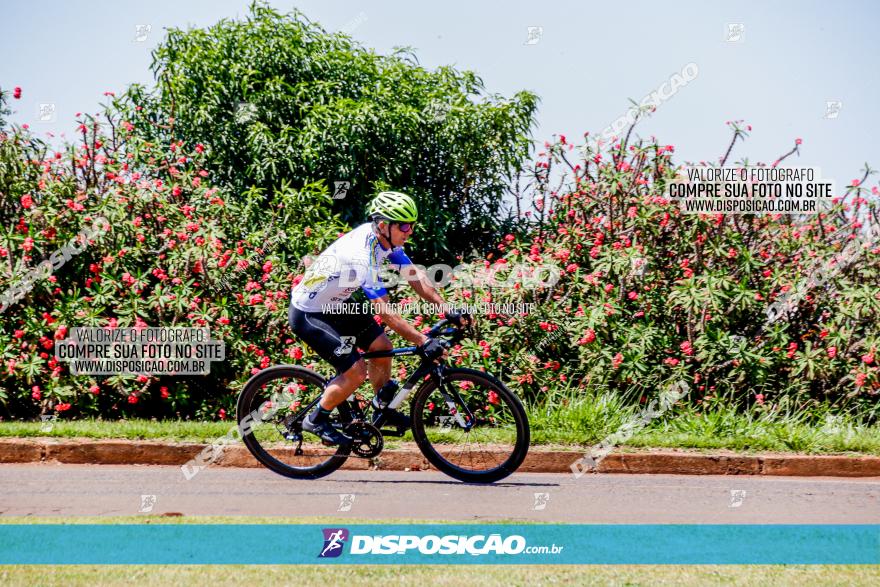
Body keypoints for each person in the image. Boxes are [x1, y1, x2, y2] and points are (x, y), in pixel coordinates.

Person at [288, 190, 471, 445]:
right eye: (404, 226)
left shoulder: (386, 242)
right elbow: (383, 310)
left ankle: (381, 407)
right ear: (384, 225)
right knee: (355, 371)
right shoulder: (361, 254)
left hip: (337, 304)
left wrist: (447, 308)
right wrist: (422, 340)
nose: (410, 231)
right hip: (309, 312)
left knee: (382, 347)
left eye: (412, 225)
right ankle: (316, 418)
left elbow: (414, 276)